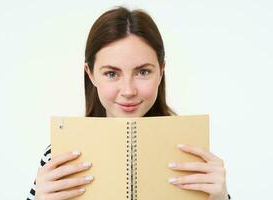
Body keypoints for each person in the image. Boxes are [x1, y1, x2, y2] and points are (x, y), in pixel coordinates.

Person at [27, 6, 231, 200]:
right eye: (111, 73)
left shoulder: (195, 155)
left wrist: (221, 198)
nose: (128, 91)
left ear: (161, 71)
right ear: (91, 74)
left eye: (143, 72)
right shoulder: (59, 156)